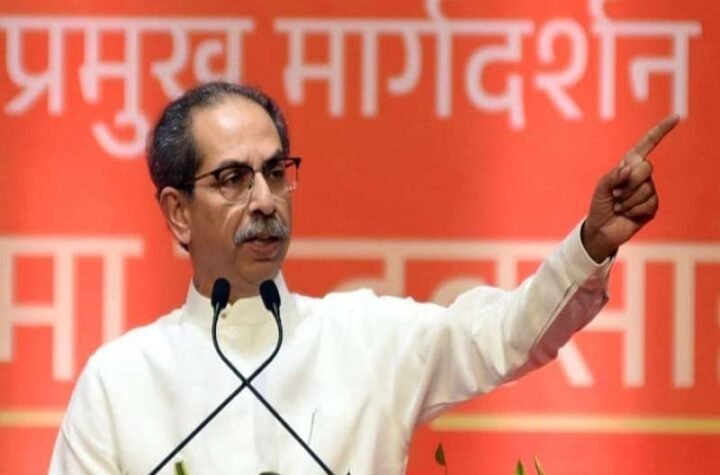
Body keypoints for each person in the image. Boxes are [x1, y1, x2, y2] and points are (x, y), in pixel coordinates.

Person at [48, 81, 678, 474]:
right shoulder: (120, 381)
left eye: (276, 172)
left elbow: (504, 335)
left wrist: (591, 244)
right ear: (178, 212)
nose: (265, 200)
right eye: (233, 179)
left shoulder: (364, 338)